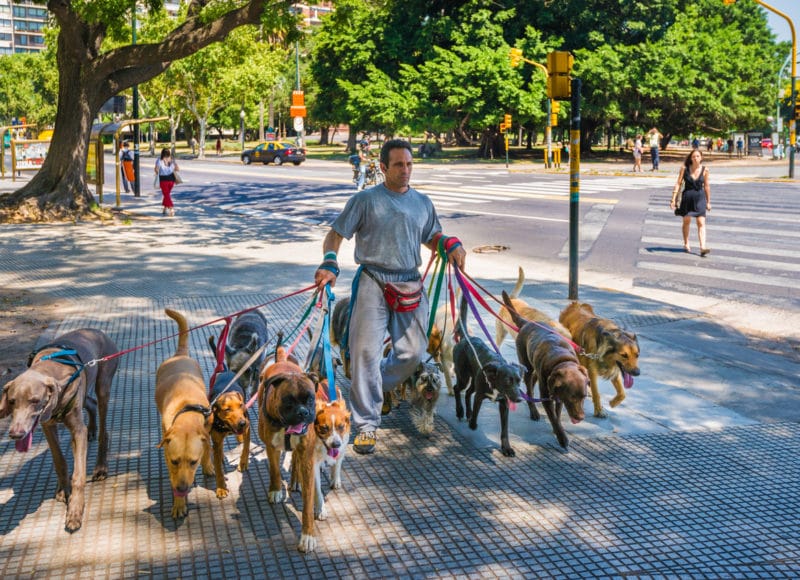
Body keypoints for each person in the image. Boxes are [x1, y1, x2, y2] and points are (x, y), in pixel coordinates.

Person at [314, 139, 467, 455]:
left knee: (413, 353)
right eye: (398, 164)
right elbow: (336, 233)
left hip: (410, 282)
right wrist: (330, 261)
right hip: (373, 280)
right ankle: (367, 426)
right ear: (382, 167)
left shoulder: (422, 202)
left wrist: (448, 243)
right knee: (365, 353)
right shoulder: (366, 200)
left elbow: (431, 236)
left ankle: (370, 387)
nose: (405, 170)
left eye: (409, 164)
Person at [670, 149, 711, 257]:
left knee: (701, 222)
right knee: (686, 221)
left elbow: (706, 186)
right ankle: (686, 243)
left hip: (700, 198)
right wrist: (673, 199)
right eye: (693, 156)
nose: (695, 158)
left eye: (698, 156)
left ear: (701, 158)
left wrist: (708, 202)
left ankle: (702, 247)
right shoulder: (684, 169)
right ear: (690, 158)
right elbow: (678, 184)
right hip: (687, 198)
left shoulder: (705, 170)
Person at [154, 148, 179, 217]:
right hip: (171, 179)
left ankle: (171, 208)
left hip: (163, 179)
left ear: (162, 153)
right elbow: (177, 169)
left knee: (166, 194)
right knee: (167, 194)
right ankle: (165, 208)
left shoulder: (159, 160)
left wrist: (157, 172)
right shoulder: (172, 159)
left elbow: (156, 169)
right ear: (169, 153)